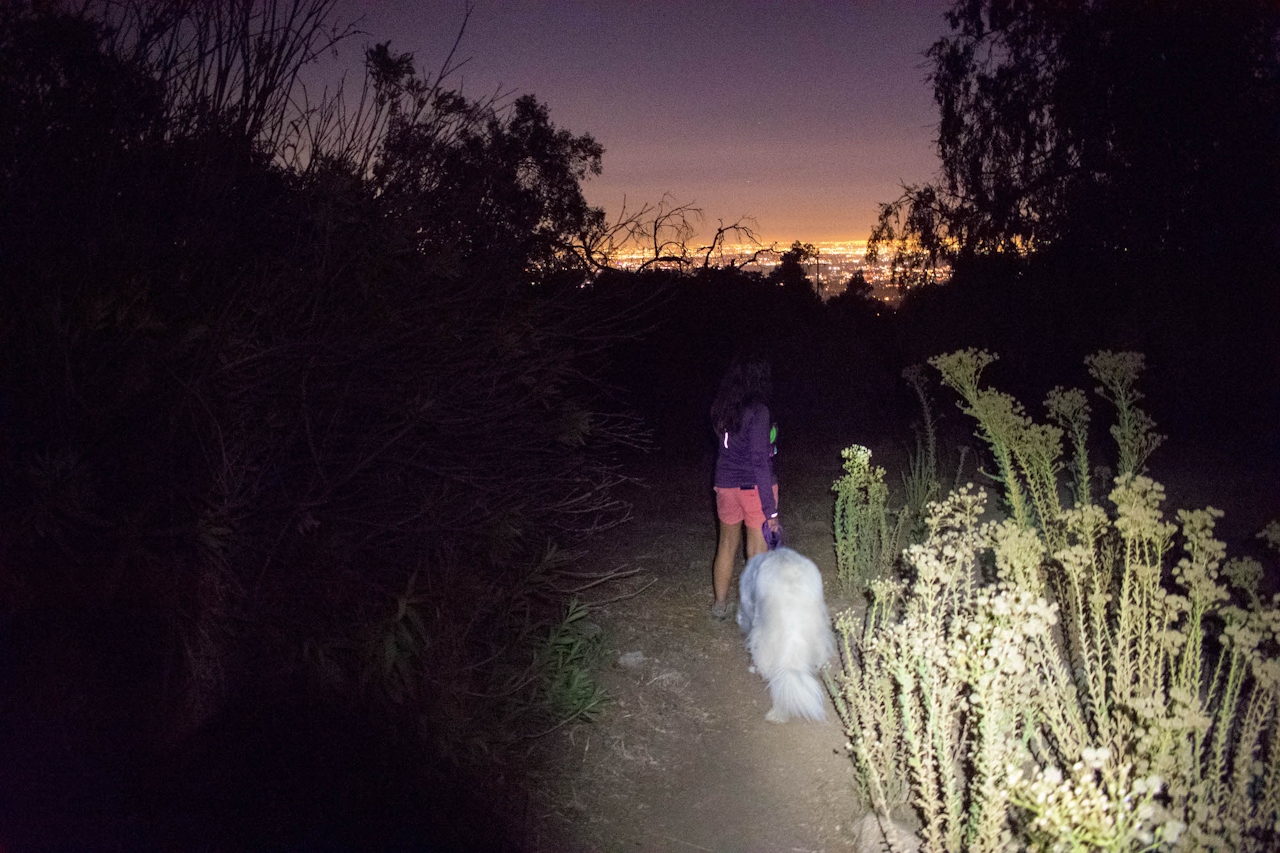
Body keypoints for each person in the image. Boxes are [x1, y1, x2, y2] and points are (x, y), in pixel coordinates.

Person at [709, 355, 780, 619]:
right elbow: (759, 460)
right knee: (756, 552)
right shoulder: (759, 411)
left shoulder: (722, 408)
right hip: (753, 488)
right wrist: (770, 511)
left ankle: (719, 605)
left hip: (725, 485)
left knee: (726, 544)